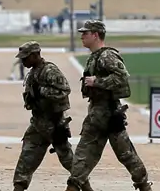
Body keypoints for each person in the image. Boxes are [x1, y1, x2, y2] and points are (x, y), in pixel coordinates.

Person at [65, 20, 151, 191]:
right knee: (84, 154)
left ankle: (144, 186)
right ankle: (74, 186)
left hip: (110, 113)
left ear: (96, 35)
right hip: (97, 114)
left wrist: (97, 81)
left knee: (126, 154)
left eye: (85, 33)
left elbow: (122, 79)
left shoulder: (107, 56)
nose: (82, 36)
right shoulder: (94, 57)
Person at [11, 41, 91, 191]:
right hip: (37, 123)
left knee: (67, 159)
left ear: (35, 55)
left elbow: (64, 90)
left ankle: (85, 187)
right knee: (27, 157)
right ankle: (19, 186)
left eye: (26, 58)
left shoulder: (49, 70)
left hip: (54, 123)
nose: (23, 61)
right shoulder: (33, 72)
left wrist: (41, 91)